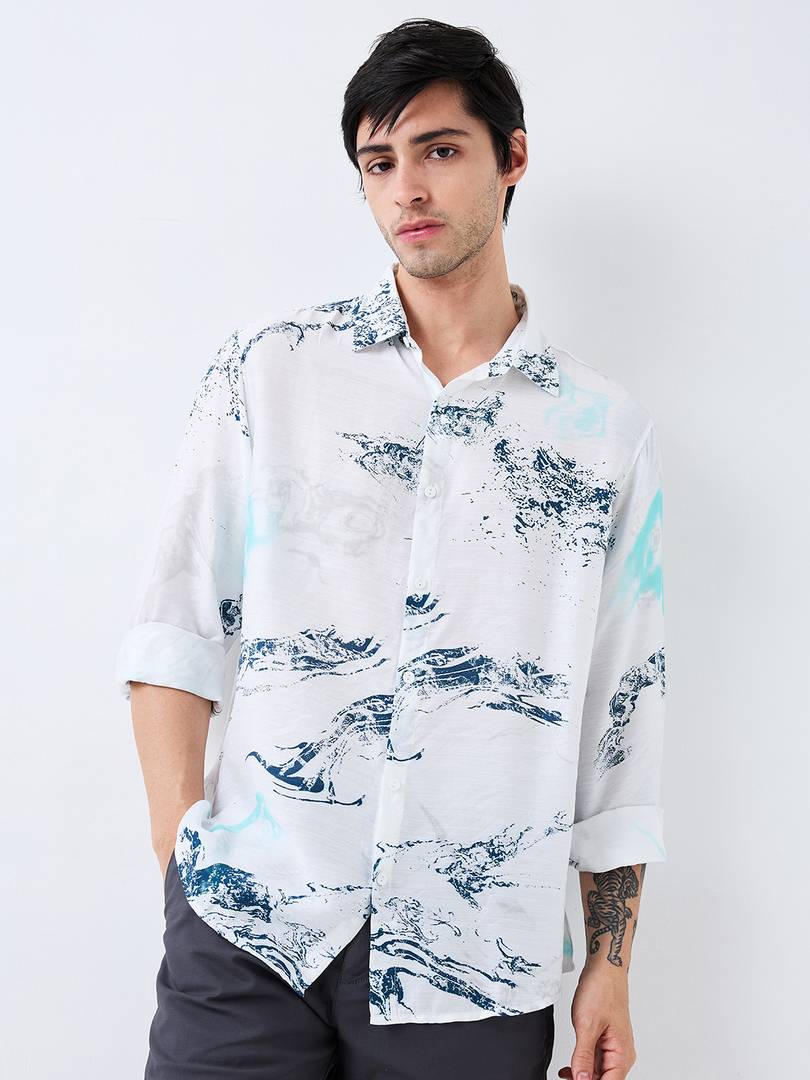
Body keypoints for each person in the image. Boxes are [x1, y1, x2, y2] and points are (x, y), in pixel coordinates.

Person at [115, 17, 667, 1080]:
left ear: (512, 157)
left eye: (439, 150)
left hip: (473, 956)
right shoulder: (271, 370)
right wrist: (183, 854)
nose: (407, 189)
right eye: (379, 163)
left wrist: (612, 964)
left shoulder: (602, 432)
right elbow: (174, 627)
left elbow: (621, 715)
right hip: (251, 926)